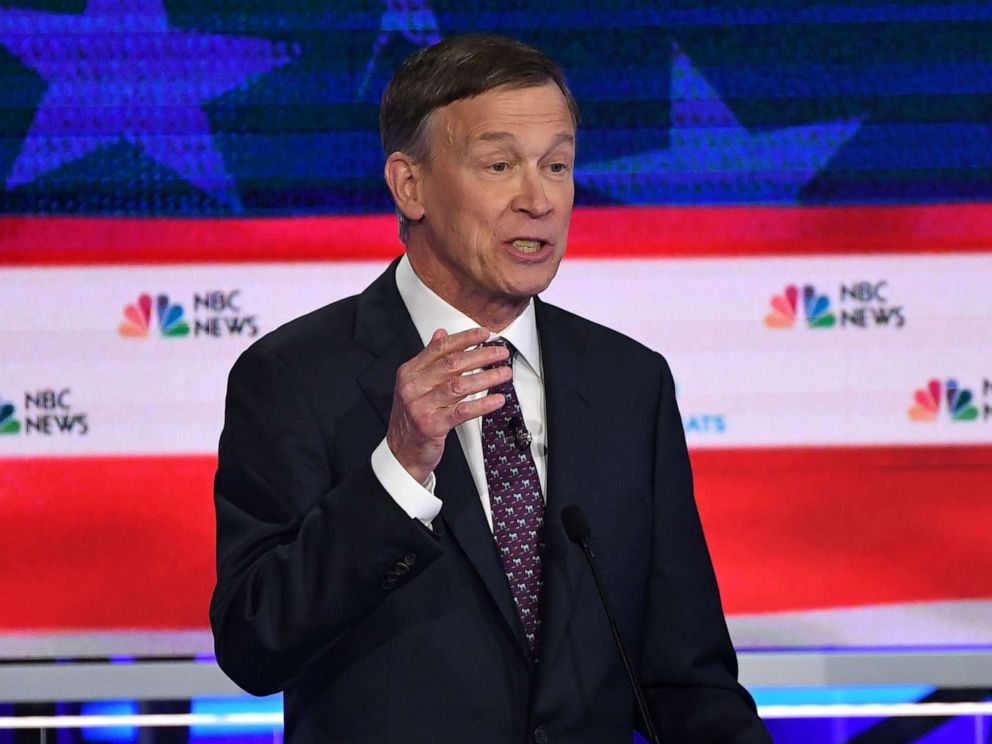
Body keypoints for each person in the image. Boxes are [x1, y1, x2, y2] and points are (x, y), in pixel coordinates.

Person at [211, 33, 772, 744]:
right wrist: (399, 470)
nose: (537, 200)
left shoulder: (629, 382)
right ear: (409, 185)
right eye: (499, 165)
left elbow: (686, 678)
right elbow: (254, 643)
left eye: (557, 165)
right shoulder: (296, 377)